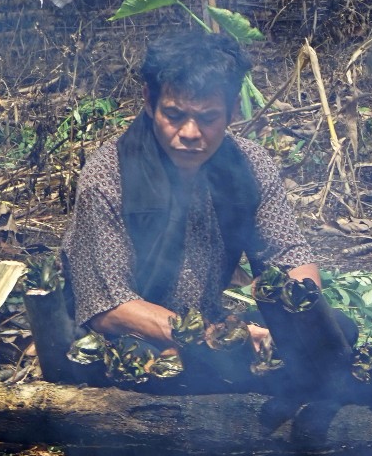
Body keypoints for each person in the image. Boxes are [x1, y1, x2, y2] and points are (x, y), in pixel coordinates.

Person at [62, 29, 317, 347]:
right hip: (130, 339)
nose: (190, 133)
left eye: (208, 117)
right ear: (148, 101)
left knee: (336, 331)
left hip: (208, 323)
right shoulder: (108, 177)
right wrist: (215, 338)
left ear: (233, 109)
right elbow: (108, 308)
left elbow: (287, 253)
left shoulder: (250, 163)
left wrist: (304, 313)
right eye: (174, 114)